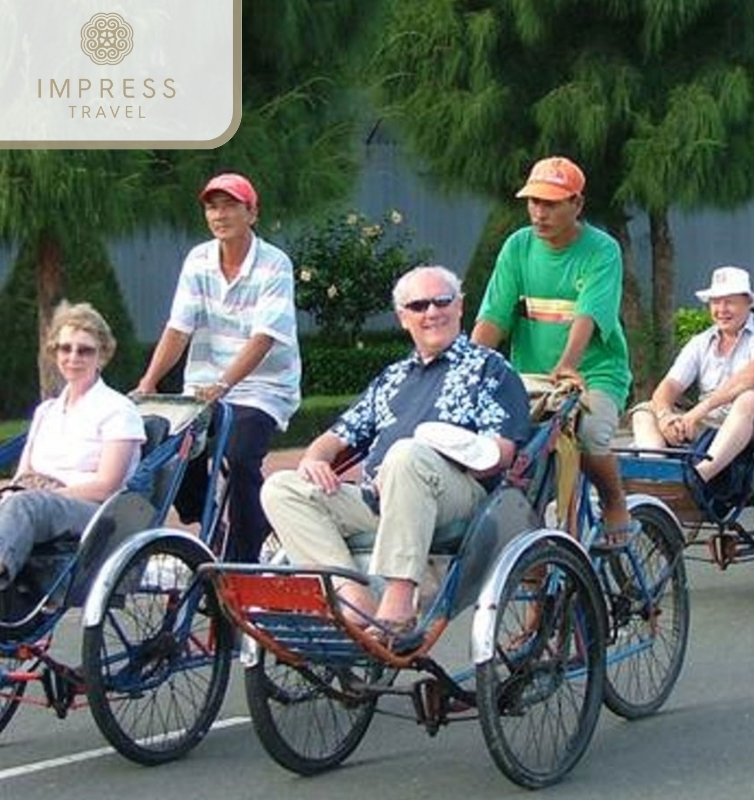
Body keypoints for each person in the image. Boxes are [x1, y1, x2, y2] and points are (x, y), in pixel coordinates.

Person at [261, 266, 531, 651]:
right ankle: (352, 597)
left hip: (458, 495)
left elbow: (499, 454)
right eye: (418, 305)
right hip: (382, 497)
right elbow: (334, 437)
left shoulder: (489, 368)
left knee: (407, 454)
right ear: (403, 318)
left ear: (460, 307)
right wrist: (315, 460)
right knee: (281, 488)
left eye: (442, 301)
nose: (431, 312)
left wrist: (445, 448)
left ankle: (399, 601)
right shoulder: (392, 377)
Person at [135, 173, 301, 563]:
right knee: (165, 446)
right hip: (203, 386)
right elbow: (179, 328)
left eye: (230, 206)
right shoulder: (198, 260)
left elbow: (263, 338)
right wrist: (148, 382)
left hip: (264, 387)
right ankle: (204, 519)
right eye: (213, 206)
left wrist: (225, 383)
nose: (220, 215)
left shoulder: (275, 264)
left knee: (241, 454)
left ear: (252, 213)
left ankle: (246, 549)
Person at [472, 156, 636, 541]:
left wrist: (566, 365)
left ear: (577, 204)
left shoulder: (602, 249)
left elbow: (588, 315)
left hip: (593, 373)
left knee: (592, 432)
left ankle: (614, 501)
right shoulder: (517, 247)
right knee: (512, 454)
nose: (539, 213)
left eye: (550, 204)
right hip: (530, 376)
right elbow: (494, 316)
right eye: (533, 202)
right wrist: (466, 368)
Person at [0, 302, 145, 589]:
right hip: (36, 502)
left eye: (85, 350)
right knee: (19, 501)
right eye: (65, 348)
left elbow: (107, 486)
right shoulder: (47, 411)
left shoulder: (118, 409)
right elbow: (22, 476)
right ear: (55, 353)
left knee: (25, 504)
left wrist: (47, 494)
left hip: (93, 510)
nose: (73, 357)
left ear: (102, 355)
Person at [629, 266, 754, 483]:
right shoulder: (701, 341)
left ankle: (700, 476)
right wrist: (665, 416)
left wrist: (697, 412)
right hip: (708, 420)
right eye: (715, 302)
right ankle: (657, 475)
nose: (721, 309)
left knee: (749, 398)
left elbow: (752, 376)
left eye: (729, 301)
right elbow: (669, 386)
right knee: (644, 411)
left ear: (748, 303)